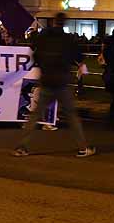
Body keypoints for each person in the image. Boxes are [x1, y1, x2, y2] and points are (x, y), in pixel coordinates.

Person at [13, 12, 95, 158]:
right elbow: (77, 56)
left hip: (46, 80)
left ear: (52, 22)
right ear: (64, 23)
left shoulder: (43, 38)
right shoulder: (67, 39)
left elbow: (34, 54)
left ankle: (21, 147)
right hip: (62, 81)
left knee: (35, 115)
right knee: (71, 115)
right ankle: (83, 147)